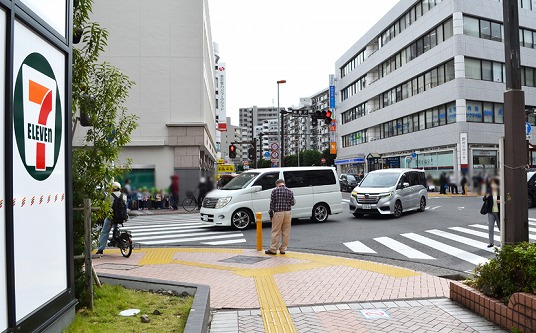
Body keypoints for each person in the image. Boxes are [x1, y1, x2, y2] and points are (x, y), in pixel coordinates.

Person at [266, 179, 295, 255]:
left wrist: (271, 215)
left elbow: (272, 204)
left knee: (276, 231)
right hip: (288, 213)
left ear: (277, 184)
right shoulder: (290, 191)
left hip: (278, 213)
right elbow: (293, 203)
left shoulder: (274, 191)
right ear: (283, 183)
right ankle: (283, 249)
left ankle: (273, 249)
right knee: (286, 231)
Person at [96, 182, 127, 255]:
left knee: (104, 232)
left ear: (112, 188)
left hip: (112, 217)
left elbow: (106, 206)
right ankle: (115, 238)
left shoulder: (110, 196)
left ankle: (100, 249)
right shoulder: (124, 195)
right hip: (122, 217)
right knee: (115, 227)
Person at [483, 178, 500, 248]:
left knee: (501, 228)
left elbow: (507, 199)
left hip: (499, 213)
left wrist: (501, 201)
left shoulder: (501, 191)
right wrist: (486, 196)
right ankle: (491, 242)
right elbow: (484, 199)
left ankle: (503, 241)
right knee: (490, 228)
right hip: (491, 212)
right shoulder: (489, 191)